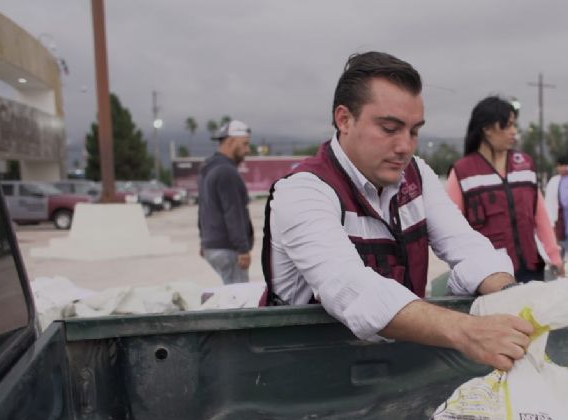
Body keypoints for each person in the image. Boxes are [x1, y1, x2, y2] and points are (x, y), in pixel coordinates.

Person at [262, 51, 533, 371]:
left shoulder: (415, 175)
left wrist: (512, 294)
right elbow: (352, 289)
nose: (405, 146)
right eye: (390, 128)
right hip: (305, 372)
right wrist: (468, 331)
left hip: (394, 368)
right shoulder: (302, 191)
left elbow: (465, 244)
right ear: (344, 119)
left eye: (414, 131)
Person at [446, 96, 563, 282]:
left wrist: (554, 256)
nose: (513, 132)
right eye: (507, 126)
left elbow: (540, 216)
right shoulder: (462, 172)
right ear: (486, 129)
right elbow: (449, 230)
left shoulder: (525, 165)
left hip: (531, 268)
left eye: (514, 125)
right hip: (489, 275)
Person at [198, 119, 254, 284]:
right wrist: (243, 249)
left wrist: (203, 240)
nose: (247, 149)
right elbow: (233, 213)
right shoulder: (227, 172)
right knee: (239, 300)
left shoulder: (207, 168)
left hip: (212, 246)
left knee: (230, 296)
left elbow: (203, 207)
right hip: (228, 248)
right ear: (231, 142)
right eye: (244, 144)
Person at [544, 154, 568, 228]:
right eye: (559, 166)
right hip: (555, 221)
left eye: (564, 165)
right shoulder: (553, 181)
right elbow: (548, 202)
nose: (561, 168)